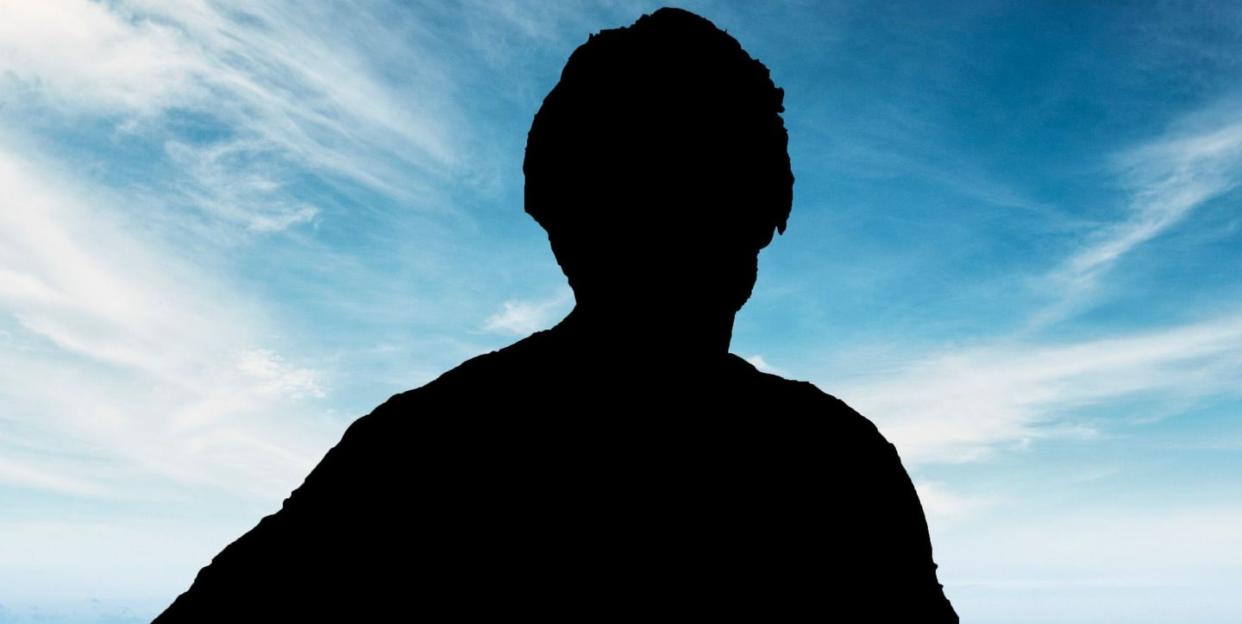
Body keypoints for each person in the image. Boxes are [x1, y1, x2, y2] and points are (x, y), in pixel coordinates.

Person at [155, 7, 957, 621]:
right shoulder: (834, 466)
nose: (673, 234)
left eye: (703, 195)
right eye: (645, 197)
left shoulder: (419, 453)